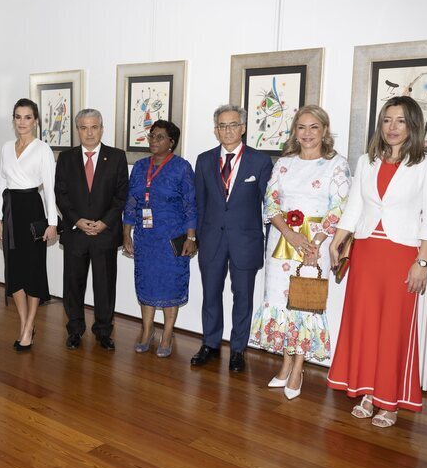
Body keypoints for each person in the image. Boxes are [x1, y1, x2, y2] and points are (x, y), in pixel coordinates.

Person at [328, 96, 427, 428]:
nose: (392, 127)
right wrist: (338, 240)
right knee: (364, 325)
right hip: (365, 253)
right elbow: (354, 207)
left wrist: (421, 264)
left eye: (400, 121)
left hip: (400, 256)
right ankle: (368, 391)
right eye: (387, 120)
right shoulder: (367, 161)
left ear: (413, 126)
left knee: (394, 330)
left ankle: (389, 401)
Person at [248, 106, 350, 399]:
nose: (307, 134)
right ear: (295, 131)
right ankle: (285, 363)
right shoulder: (284, 163)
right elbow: (272, 203)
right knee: (279, 302)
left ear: (324, 130)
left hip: (316, 245)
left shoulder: (336, 164)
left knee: (304, 302)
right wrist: (291, 234)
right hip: (282, 242)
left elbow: (338, 207)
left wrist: (314, 243)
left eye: (314, 127)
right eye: (301, 127)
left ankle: (298, 369)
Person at [192, 105, 273, 371]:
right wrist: (196, 238)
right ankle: (210, 343)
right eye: (222, 126)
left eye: (233, 125)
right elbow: (199, 204)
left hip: (245, 242)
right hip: (212, 240)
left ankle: (238, 349)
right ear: (216, 130)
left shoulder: (260, 162)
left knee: (243, 297)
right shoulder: (204, 161)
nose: (227, 130)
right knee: (211, 294)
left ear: (243, 128)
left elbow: (268, 206)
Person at [54, 108, 128, 351]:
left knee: (105, 286)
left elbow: (121, 196)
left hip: (105, 234)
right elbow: (61, 195)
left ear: (102, 129)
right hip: (76, 233)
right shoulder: (66, 158)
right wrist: (77, 221)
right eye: (84, 127)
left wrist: (104, 222)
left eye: (94, 127)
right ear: (77, 130)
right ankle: (75, 330)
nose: (89, 132)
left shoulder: (116, 157)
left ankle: (104, 331)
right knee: (73, 285)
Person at [123, 120, 197, 357]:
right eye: (152, 136)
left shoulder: (181, 167)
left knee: (170, 284)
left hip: (172, 238)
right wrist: (126, 233)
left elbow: (191, 205)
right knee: (146, 282)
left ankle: (167, 333)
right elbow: (132, 201)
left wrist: (191, 237)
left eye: (160, 137)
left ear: (171, 142)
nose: (154, 141)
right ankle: (147, 331)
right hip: (146, 238)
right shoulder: (140, 166)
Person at [0, 99, 58, 351]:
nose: (22, 122)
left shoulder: (43, 149)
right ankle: (25, 325)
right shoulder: (6, 147)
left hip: (32, 210)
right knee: (15, 273)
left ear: (36, 121)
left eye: (27, 117)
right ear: (13, 120)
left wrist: (52, 223)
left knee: (32, 272)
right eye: (18, 117)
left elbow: (50, 190)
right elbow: (1, 183)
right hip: (10, 212)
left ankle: (30, 325)